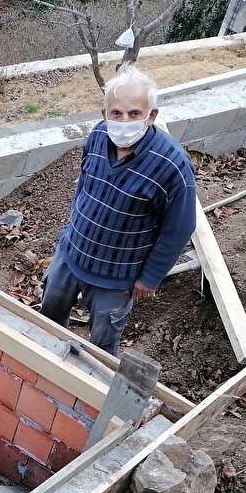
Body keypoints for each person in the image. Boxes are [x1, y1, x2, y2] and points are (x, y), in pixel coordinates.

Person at [40, 65, 197, 355]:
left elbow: (179, 228)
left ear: (151, 116)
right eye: (116, 113)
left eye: (134, 114)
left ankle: (87, 389)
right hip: (72, 254)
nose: (124, 121)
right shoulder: (98, 137)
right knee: (48, 318)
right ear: (105, 114)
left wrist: (150, 277)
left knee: (101, 344)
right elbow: (85, 186)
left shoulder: (172, 165)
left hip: (116, 276)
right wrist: (69, 233)